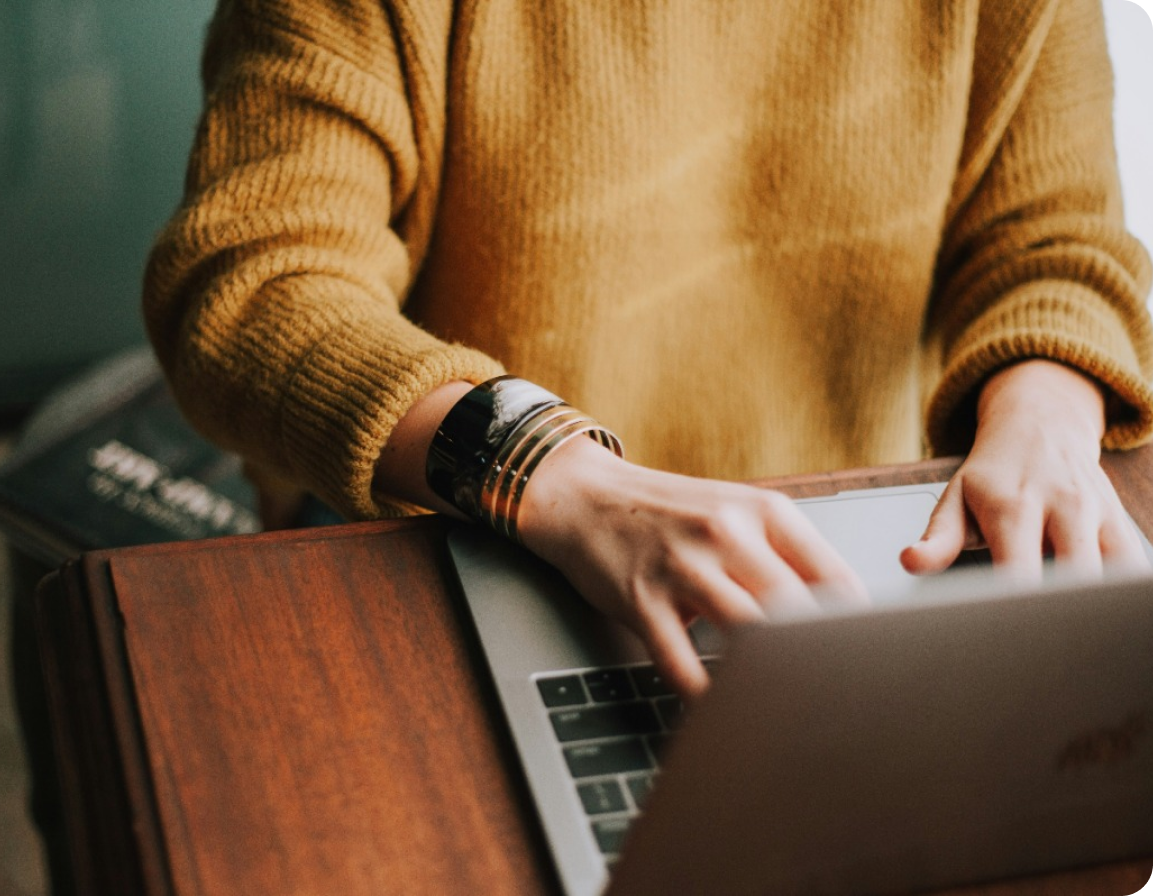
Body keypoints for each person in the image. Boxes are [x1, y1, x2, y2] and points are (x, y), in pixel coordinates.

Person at [144, 0, 1153, 698]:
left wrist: (1048, 408)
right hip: (468, 530)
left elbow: (1053, 239)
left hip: (850, 563)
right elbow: (251, 281)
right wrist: (548, 472)